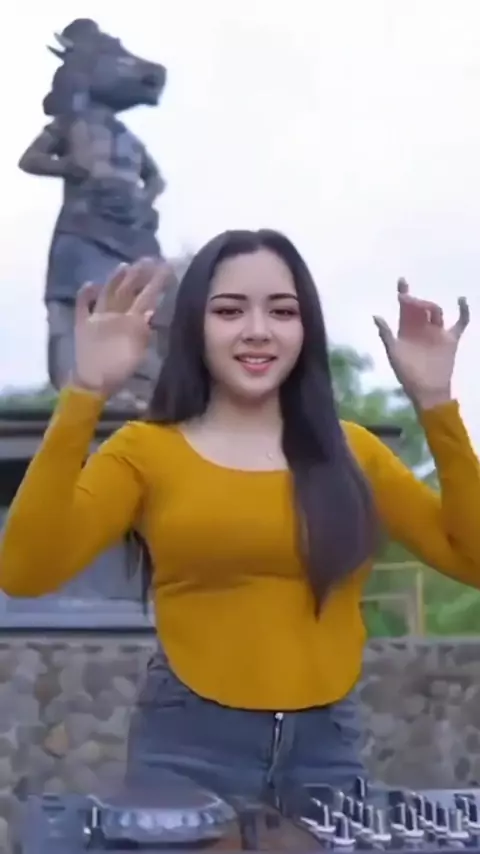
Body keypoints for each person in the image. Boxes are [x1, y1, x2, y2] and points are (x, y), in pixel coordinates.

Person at [0, 229, 478, 804]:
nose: (257, 330)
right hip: (187, 745)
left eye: (282, 311)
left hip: (326, 746)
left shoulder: (353, 453)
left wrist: (436, 404)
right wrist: (84, 392)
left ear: (306, 328)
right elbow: (24, 571)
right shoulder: (144, 451)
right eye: (229, 311)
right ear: (195, 328)